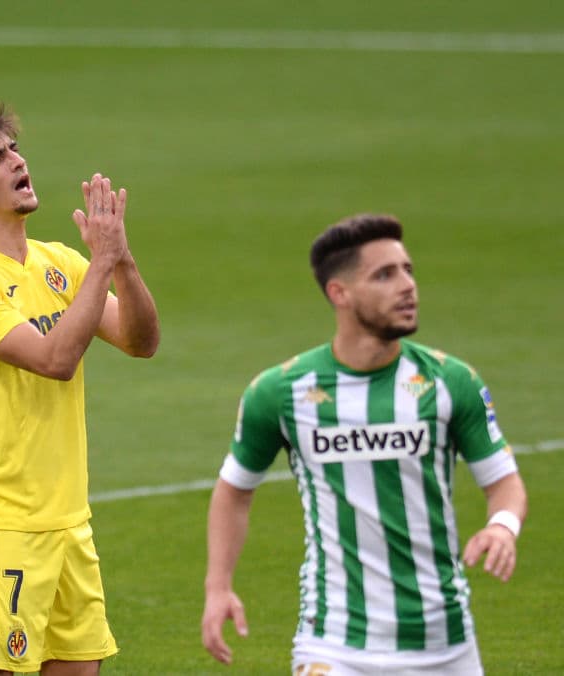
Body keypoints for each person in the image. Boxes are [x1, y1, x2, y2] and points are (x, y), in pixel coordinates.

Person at [201, 213, 528, 675]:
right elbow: (234, 490)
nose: (407, 286)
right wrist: (219, 587)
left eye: (408, 270)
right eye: (385, 274)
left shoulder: (451, 381)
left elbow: (505, 483)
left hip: (445, 643)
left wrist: (501, 526)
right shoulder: (280, 392)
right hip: (335, 645)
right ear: (340, 293)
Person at [0, 105, 160, 675]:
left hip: (68, 520)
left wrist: (120, 261)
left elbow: (140, 341)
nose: (18, 162)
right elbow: (54, 360)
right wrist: (101, 265)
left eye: (15, 151)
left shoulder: (60, 263)